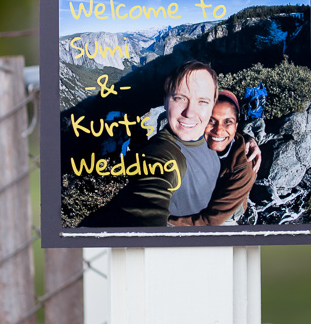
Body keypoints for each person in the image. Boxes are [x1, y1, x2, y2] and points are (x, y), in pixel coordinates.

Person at [80, 60, 221, 227]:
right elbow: (144, 204)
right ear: (166, 101)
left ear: (213, 105)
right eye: (179, 98)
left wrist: (247, 141)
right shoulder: (164, 153)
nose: (189, 112)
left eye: (202, 101)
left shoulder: (216, 135)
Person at [169, 90, 262, 226]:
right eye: (211, 120)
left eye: (227, 122)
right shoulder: (192, 139)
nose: (218, 130)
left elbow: (209, 221)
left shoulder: (245, 165)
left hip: (223, 218)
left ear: (236, 126)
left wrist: (163, 220)